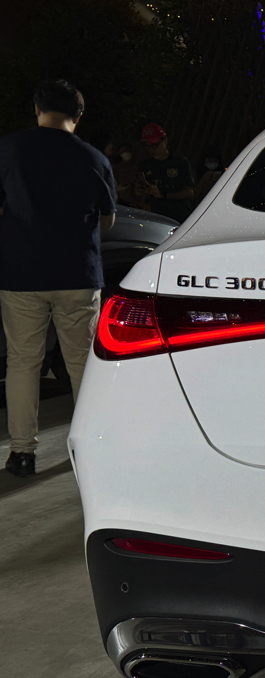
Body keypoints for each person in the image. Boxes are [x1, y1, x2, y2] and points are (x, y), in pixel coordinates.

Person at [0, 79, 115, 477]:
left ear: (37, 109)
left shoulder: (9, 149)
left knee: (23, 363)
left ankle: (22, 453)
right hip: (77, 274)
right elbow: (108, 219)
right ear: (78, 116)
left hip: (20, 274)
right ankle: (88, 451)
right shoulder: (93, 158)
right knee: (82, 362)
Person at [134, 123, 195, 222]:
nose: (152, 149)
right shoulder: (144, 165)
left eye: (155, 145)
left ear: (165, 141)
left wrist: (163, 195)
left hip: (178, 216)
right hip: (154, 216)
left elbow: (190, 192)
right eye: (147, 146)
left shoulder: (179, 162)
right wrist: (139, 191)